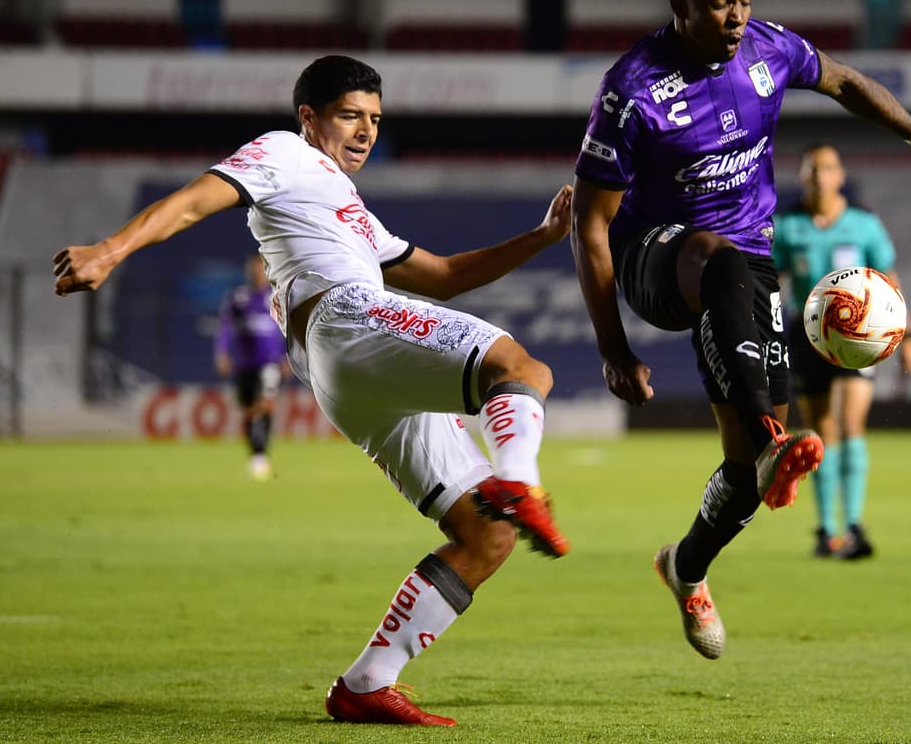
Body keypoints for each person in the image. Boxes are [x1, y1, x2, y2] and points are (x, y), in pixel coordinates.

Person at [54, 55, 573, 727]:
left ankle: (366, 682)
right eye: (350, 115)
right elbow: (190, 203)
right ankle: (520, 479)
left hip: (345, 372)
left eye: (376, 120)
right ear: (310, 118)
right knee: (521, 366)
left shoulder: (350, 210)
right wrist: (110, 248)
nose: (365, 131)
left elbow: (441, 275)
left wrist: (542, 236)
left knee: (487, 535)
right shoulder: (282, 153)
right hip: (346, 317)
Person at [570, 0, 911, 660]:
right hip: (658, 257)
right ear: (679, 2)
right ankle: (773, 442)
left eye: (743, 0)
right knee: (717, 261)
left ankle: (688, 565)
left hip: (744, 268)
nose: (735, 17)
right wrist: (614, 348)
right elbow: (590, 224)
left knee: (740, 471)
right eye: (717, 3)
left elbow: (850, 84)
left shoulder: (769, 49)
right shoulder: (633, 88)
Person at [773, 144, 911, 561]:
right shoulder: (788, 227)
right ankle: (827, 530)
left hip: (859, 338)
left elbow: (889, 280)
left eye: (829, 168)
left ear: (840, 176)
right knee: (820, 429)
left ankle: (854, 523)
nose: (821, 176)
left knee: (851, 420)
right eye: (813, 169)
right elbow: (772, 276)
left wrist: (907, 337)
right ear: (803, 177)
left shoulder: (862, 224)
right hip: (807, 336)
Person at [214, 254, 290, 481]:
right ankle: (256, 451)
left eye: (261, 270)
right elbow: (226, 327)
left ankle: (260, 454)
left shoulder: (276, 298)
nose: (257, 274)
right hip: (245, 365)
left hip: (270, 364)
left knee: (266, 403)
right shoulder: (238, 298)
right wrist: (222, 353)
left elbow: (290, 330)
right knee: (249, 409)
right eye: (254, 270)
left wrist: (289, 356)